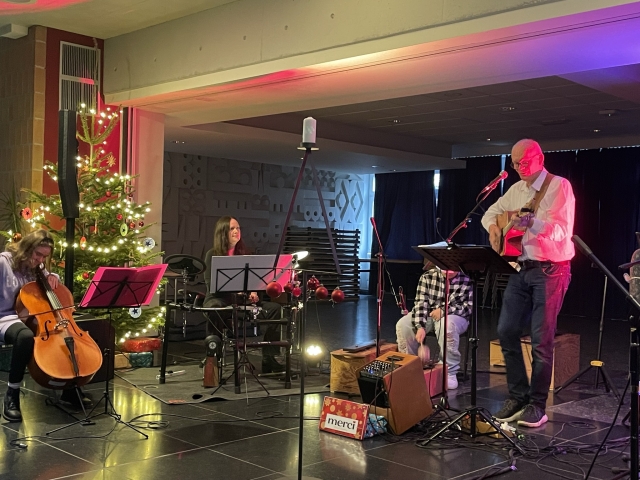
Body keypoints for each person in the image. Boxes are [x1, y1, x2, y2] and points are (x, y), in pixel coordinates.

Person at [481, 138, 574, 428]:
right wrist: (494, 228)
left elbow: (563, 231)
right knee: (506, 330)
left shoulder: (559, 186)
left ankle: (537, 405)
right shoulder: (516, 189)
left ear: (540, 158)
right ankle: (517, 397)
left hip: (551, 270)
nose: (519, 167)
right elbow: (489, 213)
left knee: (540, 340)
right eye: (515, 163)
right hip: (520, 268)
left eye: (524, 161)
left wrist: (533, 224)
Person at [202, 216, 286, 374]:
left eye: (238, 228)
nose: (236, 231)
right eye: (232, 228)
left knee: (274, 309)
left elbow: (253, 281)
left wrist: (253, 291)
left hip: (241, 301)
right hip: (219, 299)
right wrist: (237, 290)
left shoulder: (244, 254)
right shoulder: (212, 254)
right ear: (222, 232)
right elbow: (211, 285)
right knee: (215, 308)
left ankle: (269, 358)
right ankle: (213, 356)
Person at [396, 262, 472, 390]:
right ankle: (410, 366)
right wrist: (420, 326)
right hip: (429, 314)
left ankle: (449, 371)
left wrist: (444, 310)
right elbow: (420, 304)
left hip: (455, 316)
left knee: (446, 325)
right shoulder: (427, 277)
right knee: (403, 325)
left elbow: (468, 308)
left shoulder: (466, 280)